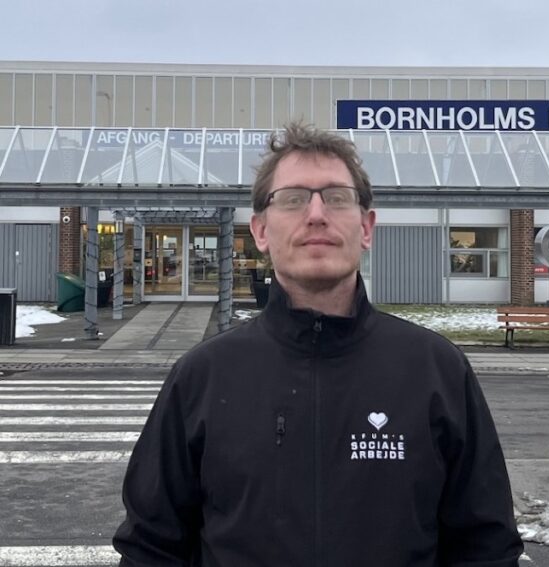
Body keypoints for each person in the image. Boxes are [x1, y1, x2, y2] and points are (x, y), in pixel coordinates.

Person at [113, 123, 524, 566]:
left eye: (336, 197)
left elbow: (485, 546)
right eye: (293, 199)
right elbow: (152, 547)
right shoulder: (203, 376)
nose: (316, 214)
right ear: (261, 231)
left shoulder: (435, 370)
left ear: (366, 227)